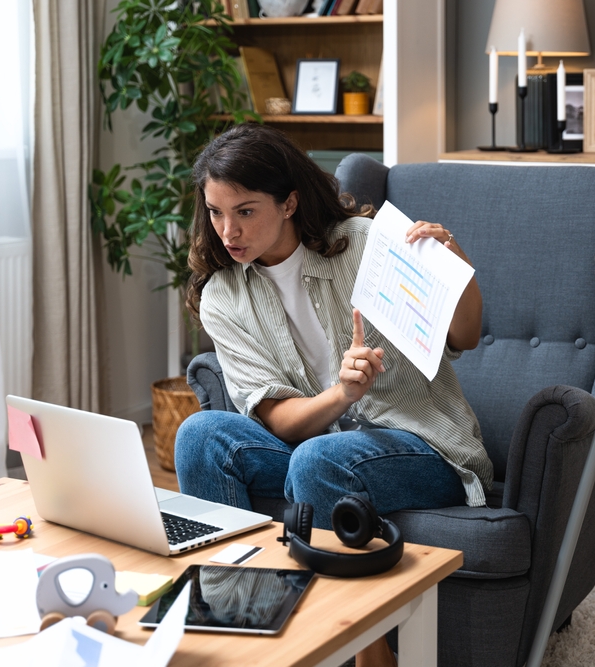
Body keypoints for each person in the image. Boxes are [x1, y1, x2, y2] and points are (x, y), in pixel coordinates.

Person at [174, 124, 493, 667]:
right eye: (215, 212)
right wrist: (341, 393)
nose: (228, 231)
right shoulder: (223, 297)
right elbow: (276, 419)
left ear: (290, 201)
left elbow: (464, 336)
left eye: (245, 211)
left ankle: (368, 650)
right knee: (200, 436)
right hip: (312, 450)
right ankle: (237, 620)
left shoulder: (366, 246)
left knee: (320, 459)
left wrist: (455, 268)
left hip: (422, 447)